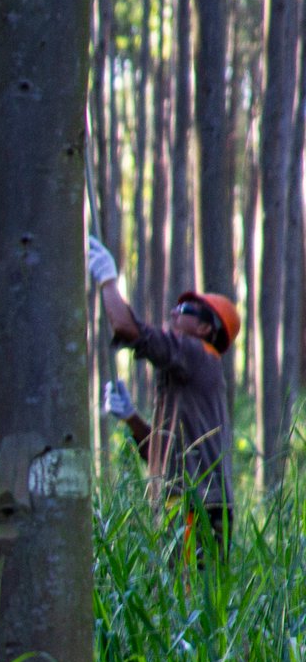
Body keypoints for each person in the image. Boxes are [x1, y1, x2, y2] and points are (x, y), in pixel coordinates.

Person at [87, 235, 239, 559]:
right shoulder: (185, 372)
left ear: (205, 329)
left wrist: (107, 280)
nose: (173, 311)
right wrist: (130, 417)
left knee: (187, 600)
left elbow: (128, 329)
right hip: (183, 503)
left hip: (195, 505)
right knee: (176, 602)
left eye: (184, 309)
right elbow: (161, 456)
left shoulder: (197, 353)